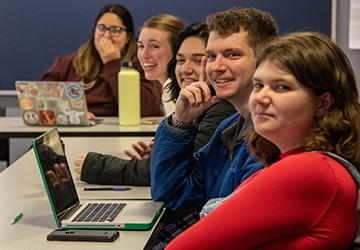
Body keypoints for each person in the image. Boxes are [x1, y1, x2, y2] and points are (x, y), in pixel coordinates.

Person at [165, 31, 360, 249]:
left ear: (323, 103)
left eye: (281, 87)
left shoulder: (310, 170)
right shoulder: (299, 162)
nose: (260, 98)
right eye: (258, 85)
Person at [73, 22, 236, 187]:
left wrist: (100, 167)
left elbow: (170, 173)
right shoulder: (186, 98)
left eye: (154, 46)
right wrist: (161, 152)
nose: (144, 54)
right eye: (181, 60)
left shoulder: (222, 109)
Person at [151, 7, 278, 209]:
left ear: (264, 61)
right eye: (211, 56)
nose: (216, 67)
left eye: (232, 55)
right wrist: (180, 123)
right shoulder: (228, 129)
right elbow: (171, 194)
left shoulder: (271, 139)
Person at [41, 4, 163, 117]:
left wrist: (112, 63)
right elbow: (43, 97)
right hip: (78, 130)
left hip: (126, 131)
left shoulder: (142, 62)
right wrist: (75, 114)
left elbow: (146, 109)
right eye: (101, 28)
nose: (106, 35)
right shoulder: (72, 61)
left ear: (128, 37)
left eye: (115, 30)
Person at [137, 14, 184, 116]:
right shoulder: (167, 87)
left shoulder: (171, 89)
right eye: (141, 46)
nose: (144, 55)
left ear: (177, 50)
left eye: (154, 46)